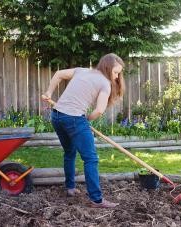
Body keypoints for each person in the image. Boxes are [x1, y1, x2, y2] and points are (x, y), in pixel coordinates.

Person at [42, 53, 125, 208]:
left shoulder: (82, 71)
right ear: (107, 69)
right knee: (91, 159)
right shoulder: (105, 84)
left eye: (118, 73)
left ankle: (70, 187)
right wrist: (86, 120)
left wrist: (48, 93)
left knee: (70, 152)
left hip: (57, 116)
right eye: (115, 72)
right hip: (74, 118)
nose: (116, 77)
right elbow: (99, 110)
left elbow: (59, 74)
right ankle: (96, 199)